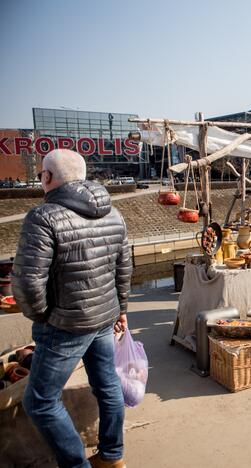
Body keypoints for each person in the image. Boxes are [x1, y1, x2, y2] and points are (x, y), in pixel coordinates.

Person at [11, 149, 131, 468]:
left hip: (65, 325)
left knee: (39, 401)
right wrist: (121, 307)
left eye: (40, 175)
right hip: (104, 317)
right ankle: (112, 455)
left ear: (48, 176)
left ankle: (77, 465)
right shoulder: (113, 214)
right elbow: (123, 267)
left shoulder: (44, 216)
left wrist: (43, 316)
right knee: (107, 386)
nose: (40, 180)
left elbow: (25, 281)